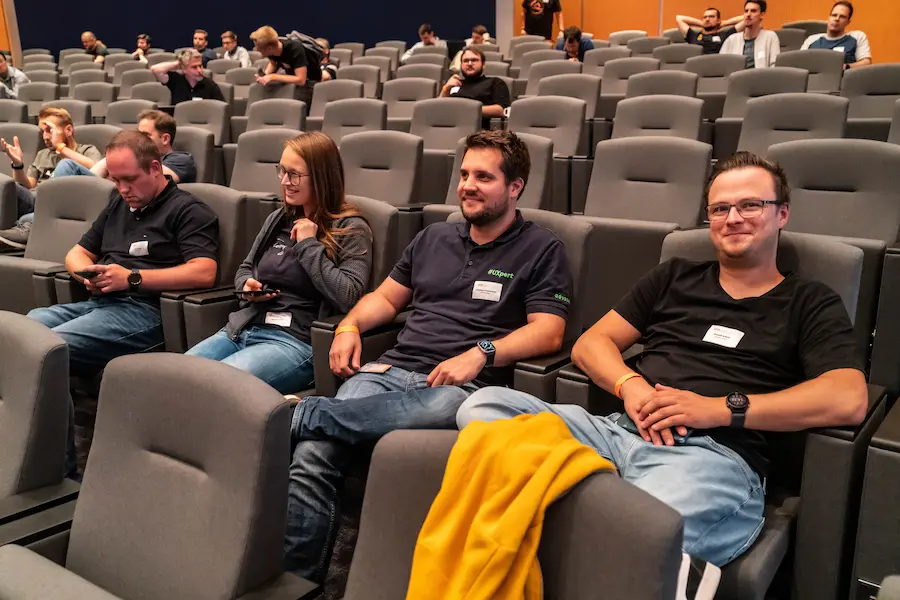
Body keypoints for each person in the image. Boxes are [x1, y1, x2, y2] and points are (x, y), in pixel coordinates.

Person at [457, 151, 867, 579]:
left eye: (750, 205)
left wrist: (721, 408)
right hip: (618, 431)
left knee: (634, 528)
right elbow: (591, 343)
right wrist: (629, 384)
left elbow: (848, 397)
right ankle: (596, 497)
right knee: (484, 406)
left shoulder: (810, 301)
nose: (733, 218)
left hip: (712, 457)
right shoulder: (673, 277)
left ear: (781, 213)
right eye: (720, 208)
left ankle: (594, 509)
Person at [284, 129, 573, 580]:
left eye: (483, 177)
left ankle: (302, 414)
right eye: (463, 174)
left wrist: (483, 351)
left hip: (460, 387)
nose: (467, 186)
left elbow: (549, 332)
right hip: (389, 370)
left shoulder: (541, 248)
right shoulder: (434, 237)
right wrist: (348, 325)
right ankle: (298, 582)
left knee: (442, 404)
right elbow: (385, 299)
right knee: (313, 452)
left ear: (515, 187)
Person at [187, 132, 372, 393]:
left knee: (215, 389)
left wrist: (309, 245)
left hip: (295, 341)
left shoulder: (350, 228)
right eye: (282, 171)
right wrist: (248, 286)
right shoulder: (278, 218)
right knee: (179, 376)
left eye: (294, 174)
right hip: (244, 329)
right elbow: (245, 268)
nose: (285, 181)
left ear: (321, 176)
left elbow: (348, 296)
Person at [28, 130, 219, 377]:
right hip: (99, 304)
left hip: (146, 312)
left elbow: (204, 272)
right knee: (23, 331)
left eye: (129, 179)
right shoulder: (120, 204)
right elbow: (76, 254)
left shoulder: (188, 210)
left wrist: (131, 278)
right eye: (115, 180)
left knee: (48, 348)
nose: (122, 189)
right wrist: (88, 276)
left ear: (155, 168)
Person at [0, 107, 102, 249]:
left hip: (67, 203)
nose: (45, 137)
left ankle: (30, 225)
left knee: (65, 165)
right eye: (43, 132)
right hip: (38, 200)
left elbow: (97, 170)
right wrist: (17, 164)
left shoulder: (87, 150)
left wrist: (61, 148)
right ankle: (25, 225)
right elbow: (28, 185)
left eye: (50, 131)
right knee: (5, 184)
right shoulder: (43, 154)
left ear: (68, 130)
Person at [59, 109, 196, 184]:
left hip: (130, 202)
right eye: (138, 134)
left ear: (165, 138)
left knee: (67, 166)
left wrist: (118, 160)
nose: (139, 139)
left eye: (146, 135)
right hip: (109, 194)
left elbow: (151, 177)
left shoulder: (181, 159)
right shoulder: (138, 154)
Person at [441, 47, 510, 130]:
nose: (469, 63)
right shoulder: (455, 84)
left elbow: (501, 110)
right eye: (465, 61)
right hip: (452, 129)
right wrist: (445, 89)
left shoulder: (495, 82)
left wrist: (465, 110)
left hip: (482, 131)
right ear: (461, 65)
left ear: (483, 64)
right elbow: (439, 109)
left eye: (474, 60)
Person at [250, 26, 320, 106]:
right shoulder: (272, 49)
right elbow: (273, 63)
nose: (257, 50)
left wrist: (272, 76)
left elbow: (301, 80)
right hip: (292, 81)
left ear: (269, 48)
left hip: (310, 83)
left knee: (288, 104)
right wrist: (265, 76)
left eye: (259, 48)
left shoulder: (295, 49)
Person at [801, 1, 871, 70]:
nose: (837, 19)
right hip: (814, 79)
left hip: (843, 79)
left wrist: (846, 67)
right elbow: (799, 62)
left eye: (842, 17)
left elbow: (866, 63)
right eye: (834, 15)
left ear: (848, 22)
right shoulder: (811, 39)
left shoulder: (857, 36)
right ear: (828, 18)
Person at [151, 48, 226, 105]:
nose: (199, 70)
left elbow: (221, 110)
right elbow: (155, 69)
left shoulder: (210, 85)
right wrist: (177, 63)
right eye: (194, 67)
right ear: (183, 69)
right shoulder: (176, 80)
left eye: (200, 66)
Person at [720, 0, 780, 68]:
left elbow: (774, 66)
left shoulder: (770, 37)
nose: (748, 14)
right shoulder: (731, 40)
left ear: (761, 15)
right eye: (746, 11)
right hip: (736, 78)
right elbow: (722, 66)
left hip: (762, 77)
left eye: (753, 11)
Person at [676, 8, 747, 54]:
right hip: (697, 67)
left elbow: (746, 18)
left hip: (717, 66)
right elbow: (679, 18)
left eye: (711, 17)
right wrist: (701, 23)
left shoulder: (725, 35)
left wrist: (725, 23)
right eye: (705, 17)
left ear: (718, 20)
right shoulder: (694, 35)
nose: (707, 19)